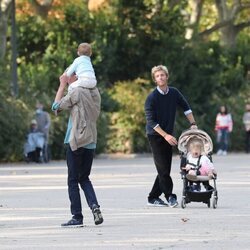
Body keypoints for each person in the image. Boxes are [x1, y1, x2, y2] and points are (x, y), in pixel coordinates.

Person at [52, 72, 103, 227]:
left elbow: (56, 107)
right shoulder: (95, 92)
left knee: (73, 180)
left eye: (70, 74)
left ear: (78, 76)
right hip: (91, 142)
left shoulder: (76, 92)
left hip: (76, 141)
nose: (67, 77)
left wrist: (62, 86)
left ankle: (77, 217)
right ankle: (94, 206)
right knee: (84, 178)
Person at [144, 65, 197, 207]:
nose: (160, 77)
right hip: (155, 135)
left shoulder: (174, 93)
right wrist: (166, 135)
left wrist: (193, 123)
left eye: (162, 75)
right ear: (155, 80)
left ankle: (153, 197)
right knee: (163, 169)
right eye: (157, 76)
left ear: (167, 76)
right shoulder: (152, 98)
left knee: (164, 169)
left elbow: (186, 108)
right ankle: (170, 196)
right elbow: (151, 122)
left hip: (168, 134)